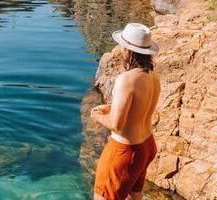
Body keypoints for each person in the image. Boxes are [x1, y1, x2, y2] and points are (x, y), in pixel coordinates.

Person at [89, 23, 162, 200]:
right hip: (146, 146)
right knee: (134, 196)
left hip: (124, 151)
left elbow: (116, 124)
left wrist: (97, 115)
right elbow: (138, 107)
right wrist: (110, 107)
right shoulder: (152, 76)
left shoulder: (126, 79)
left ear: (127, 50)